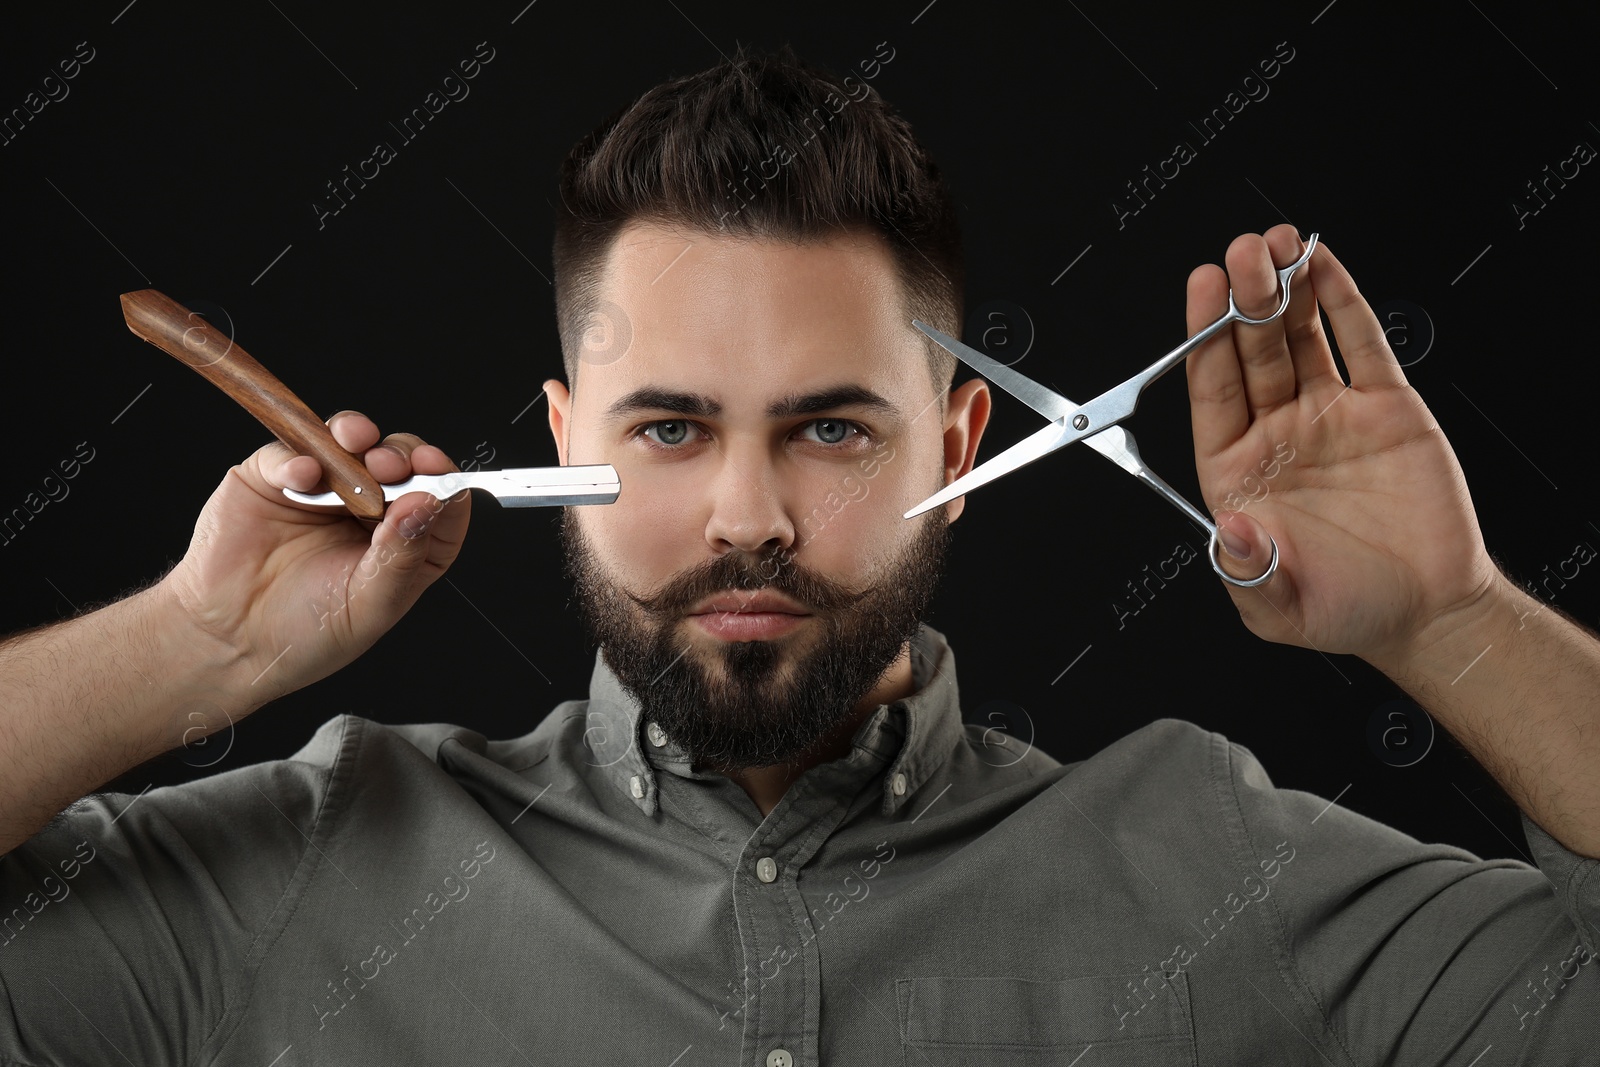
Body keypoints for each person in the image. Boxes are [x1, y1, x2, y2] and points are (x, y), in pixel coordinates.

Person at [2, 43, 1596, 1065]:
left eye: (833, 429)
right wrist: (190, 648)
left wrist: (1453, 624)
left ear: (960, 453)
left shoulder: (1217, 876)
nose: (749, 515)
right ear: (564, 445)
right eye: (672, 432)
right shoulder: (309, 877)